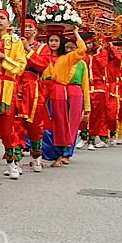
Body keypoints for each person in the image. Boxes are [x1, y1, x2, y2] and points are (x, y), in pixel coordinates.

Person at [0, 9, 27, 181]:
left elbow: (20, 67)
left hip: (7, 89)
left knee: (7, 129)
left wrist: (4, 58)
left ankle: (12, 162)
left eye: (3, 18)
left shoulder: (15, 41)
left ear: (9, 22)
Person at [43, 30, 89, 167]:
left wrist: (76, 33)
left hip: (63, 93)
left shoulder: (68, 59)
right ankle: (42, 154)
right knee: (45, 124)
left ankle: (62, 154)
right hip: (46, 93)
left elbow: (82, 50)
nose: (53, 43)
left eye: (56, 41)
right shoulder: (43, 57)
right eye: (51, 40)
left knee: (65, 125)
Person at [14, 18, 50, 171]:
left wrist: (28, 49)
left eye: (30, 27)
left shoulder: (43, 48)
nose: (27, 30)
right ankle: (14, 161)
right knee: (15, 125)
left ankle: (36, 156)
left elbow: (43, 65)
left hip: (34, 88)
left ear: (35, 30)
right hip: (17, 84)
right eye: (25, 27)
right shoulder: (15, 46)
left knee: (35, 125)